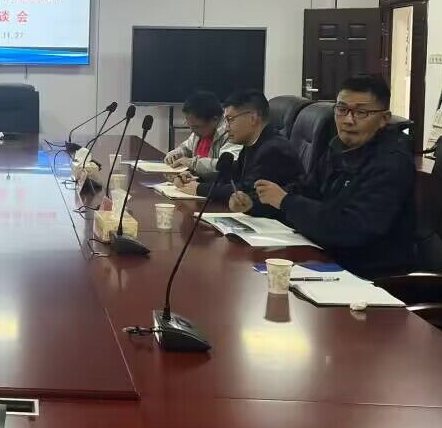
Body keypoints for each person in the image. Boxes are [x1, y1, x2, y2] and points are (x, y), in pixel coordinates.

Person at [246, 74, 416, 279]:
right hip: (325, 256)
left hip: (367, 275)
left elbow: (352, 229)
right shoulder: (339, 148)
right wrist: (256, 203)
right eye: (342, 109)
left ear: (384, 119)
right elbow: (306, 191)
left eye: (361, 112)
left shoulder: (391, 164)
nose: (348, 120)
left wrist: (286, 201)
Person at [175, 89, 302, 217]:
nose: (226, 128)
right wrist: (196, 179)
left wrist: (199, 188)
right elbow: (232, 177)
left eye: (230, 120)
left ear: (253, 118)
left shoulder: (273, 150)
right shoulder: (252, 144)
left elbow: (245, 191)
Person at [164, 91, 241, 177]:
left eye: (196, 126)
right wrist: (176, 154)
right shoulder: (200, 132)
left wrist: (191, 163)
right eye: (189, 125)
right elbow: (185, 148)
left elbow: (227, 165)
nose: (192, 131)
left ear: (214, 119)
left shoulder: (231, 133)